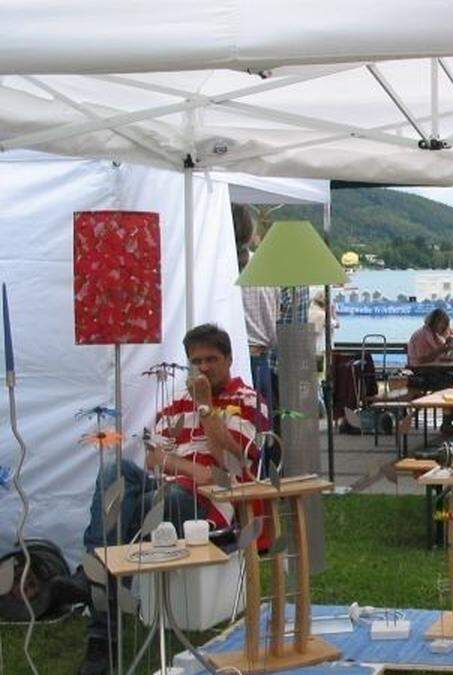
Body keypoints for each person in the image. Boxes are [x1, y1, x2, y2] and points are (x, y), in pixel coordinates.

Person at [68, 324, 268, 674]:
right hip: (170, 487)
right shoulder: (175, 404)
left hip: (208, 506)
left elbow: (232, 464)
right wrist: (191, 468)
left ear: (229, 360)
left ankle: (98, 616)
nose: (203, 368)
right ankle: (97, 591)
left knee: (140, 510)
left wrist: (206, 409)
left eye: (211, 359)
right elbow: (153, 458)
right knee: (115, 472)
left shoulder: (247, 400)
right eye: (196, 361)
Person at [236, 206, 279, 414]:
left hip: (218, 362)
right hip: (258, 358)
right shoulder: (265, 266)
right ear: (250, 232)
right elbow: (274, 327)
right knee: (260, 430)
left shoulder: (211, 264)